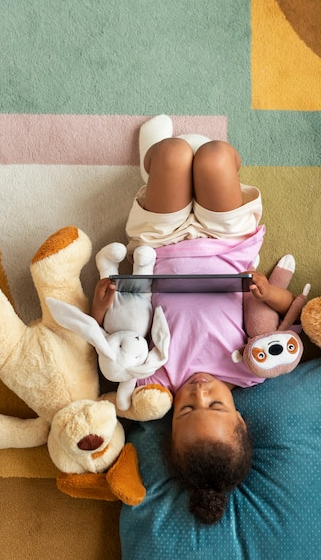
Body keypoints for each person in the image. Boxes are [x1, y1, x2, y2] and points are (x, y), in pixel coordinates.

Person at [92, 115, 296, 524]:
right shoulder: (252, 365)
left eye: (187, 410)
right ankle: (199, 179)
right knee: (215, 156)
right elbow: (289, 307)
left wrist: (99, 307)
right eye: (216, 405)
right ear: (239, 414)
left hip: (159, 247)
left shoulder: (157, 378)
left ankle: (156, 167)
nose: (200, 392)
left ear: (170, 425)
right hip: (227, 246)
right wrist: (266, 292)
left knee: (171, 153)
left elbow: (110, 342)